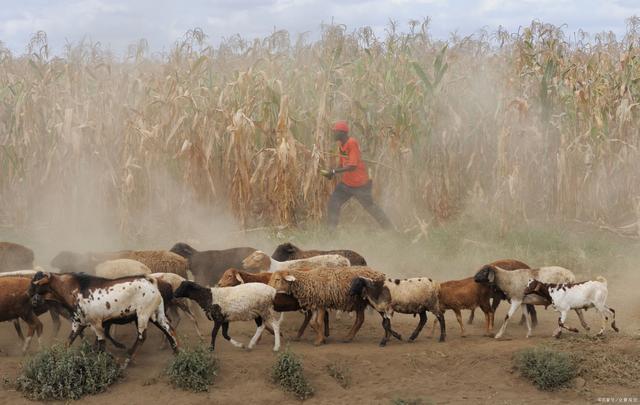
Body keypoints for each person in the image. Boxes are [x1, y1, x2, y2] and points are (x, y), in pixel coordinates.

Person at [320, 120, 392, 230]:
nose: (333, 134)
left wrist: (334, 172)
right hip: (347, 184)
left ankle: (389, 229)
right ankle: (331, 231)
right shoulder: (341, 145)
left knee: (371, 207)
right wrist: (332, 172)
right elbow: (342, 164)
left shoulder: (352, 143)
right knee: (333, 203)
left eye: (336, 131)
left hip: (360, 185)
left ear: (342, 133)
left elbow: (352, 166)